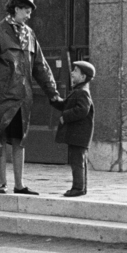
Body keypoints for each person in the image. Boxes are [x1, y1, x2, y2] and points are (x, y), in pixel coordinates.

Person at [0, 0, 62, 195]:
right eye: (26, 10)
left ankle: (19, 184)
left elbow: (40, 66)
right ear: (16, 9)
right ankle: (2, 183)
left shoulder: (29, 34)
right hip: (1, 98)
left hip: (23, 98)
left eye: (30, 11)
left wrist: (53, 93)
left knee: (19, 140)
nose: (29, 15)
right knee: (0, 138)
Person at [50, 60, 95, 197]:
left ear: (83, 77)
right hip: (78, 135)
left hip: (79, 135)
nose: (72, 73)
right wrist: (55, 100)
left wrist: (65, 116)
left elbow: (82, 110)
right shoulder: (78, 91)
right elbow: (66, 105)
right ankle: (81, 187)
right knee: (79, 161)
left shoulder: (83, 92)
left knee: (77, 162)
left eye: (75, 71)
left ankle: (78, 188)